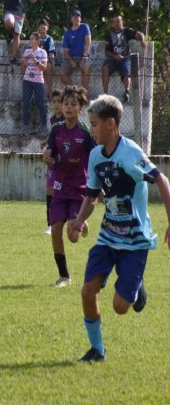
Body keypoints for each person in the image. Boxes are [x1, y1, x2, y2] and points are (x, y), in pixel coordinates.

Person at [68, 94, 170, 362]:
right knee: (87, 291)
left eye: (94, 124)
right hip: (107, 236)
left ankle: (136, 288)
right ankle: (97, 350)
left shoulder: (131, 153)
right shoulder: (95, 156)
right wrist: (78, 221)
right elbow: (91, 196)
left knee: (120, 306)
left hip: (135, 241)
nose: (91, 130)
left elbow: (162, 180)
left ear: (110, 124)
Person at [43, 85, 95, 287]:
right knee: (55, 230)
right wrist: (47, 158)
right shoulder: (56, 130)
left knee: (72, 237)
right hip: (59, 188)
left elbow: (95, 158)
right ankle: (64, 276)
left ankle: (80, 224)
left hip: (78, 190)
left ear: (81, 108)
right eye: (66, 103)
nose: (69, 107)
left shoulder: (85, 134)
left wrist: (96, 187)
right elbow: (50, 154)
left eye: (74, 104)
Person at [101, 14, 147, 103]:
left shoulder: (127, 31)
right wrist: (115, 56)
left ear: (122, 22)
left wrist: (142, 41)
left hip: (125, 58)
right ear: (112, 24)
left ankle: (126, 92)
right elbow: (107, 52)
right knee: (104, 67)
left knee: (126, 70)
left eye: (118, 21)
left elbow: (140, 34)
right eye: (114, 22)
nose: (116, 24)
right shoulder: (109, 35)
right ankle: (105, 93)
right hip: (113, 59)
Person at [42, 90, 64, 235]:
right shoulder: (52, 120)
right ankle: (50, 224)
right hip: (53, 161)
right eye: (54, 101)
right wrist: (46, 143)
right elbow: (53, 137)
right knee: (50, 190)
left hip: (65, 162)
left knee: (63, 192)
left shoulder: (66, 120)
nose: (56, 105)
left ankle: (75, 219)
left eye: (59, 102)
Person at [20, 32, 48, 133]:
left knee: (40, 103)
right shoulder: (27, 51)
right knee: (26, 103)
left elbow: (44, 68)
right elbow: (22, 68)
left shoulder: (43, 52)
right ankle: (25, 126)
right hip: (27, 80)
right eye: (30, 39)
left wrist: (35, 60)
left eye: (32, 39)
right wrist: (24, 61)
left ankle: (44, 126)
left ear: (37, 41)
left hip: (38, 81)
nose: (30, 41)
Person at [58, 9, 91, 90]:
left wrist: (85, 54)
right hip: (71, 57)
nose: (76, 18)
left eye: (78, 16)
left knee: (86, 68)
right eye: (74, 16)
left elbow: (88, 41)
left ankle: (84, 93)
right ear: (71, 19)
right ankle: (74, 91)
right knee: (61, 72)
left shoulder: (84, 27)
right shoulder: (67, 33)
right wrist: (71, 61)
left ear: (80, 18)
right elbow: (66, 52)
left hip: (83, 56)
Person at [37, 19, 56, 97]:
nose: (43, 26)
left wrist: (48, 61)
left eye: (44, 25)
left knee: (48, 66)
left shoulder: (49, 39)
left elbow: (51, 53)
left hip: (47, 60)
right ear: (38, 27)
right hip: (36, 60)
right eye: (41, 25)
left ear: (47, 27)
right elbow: (30, 50)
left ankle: (49, 91)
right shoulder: (35, 38)